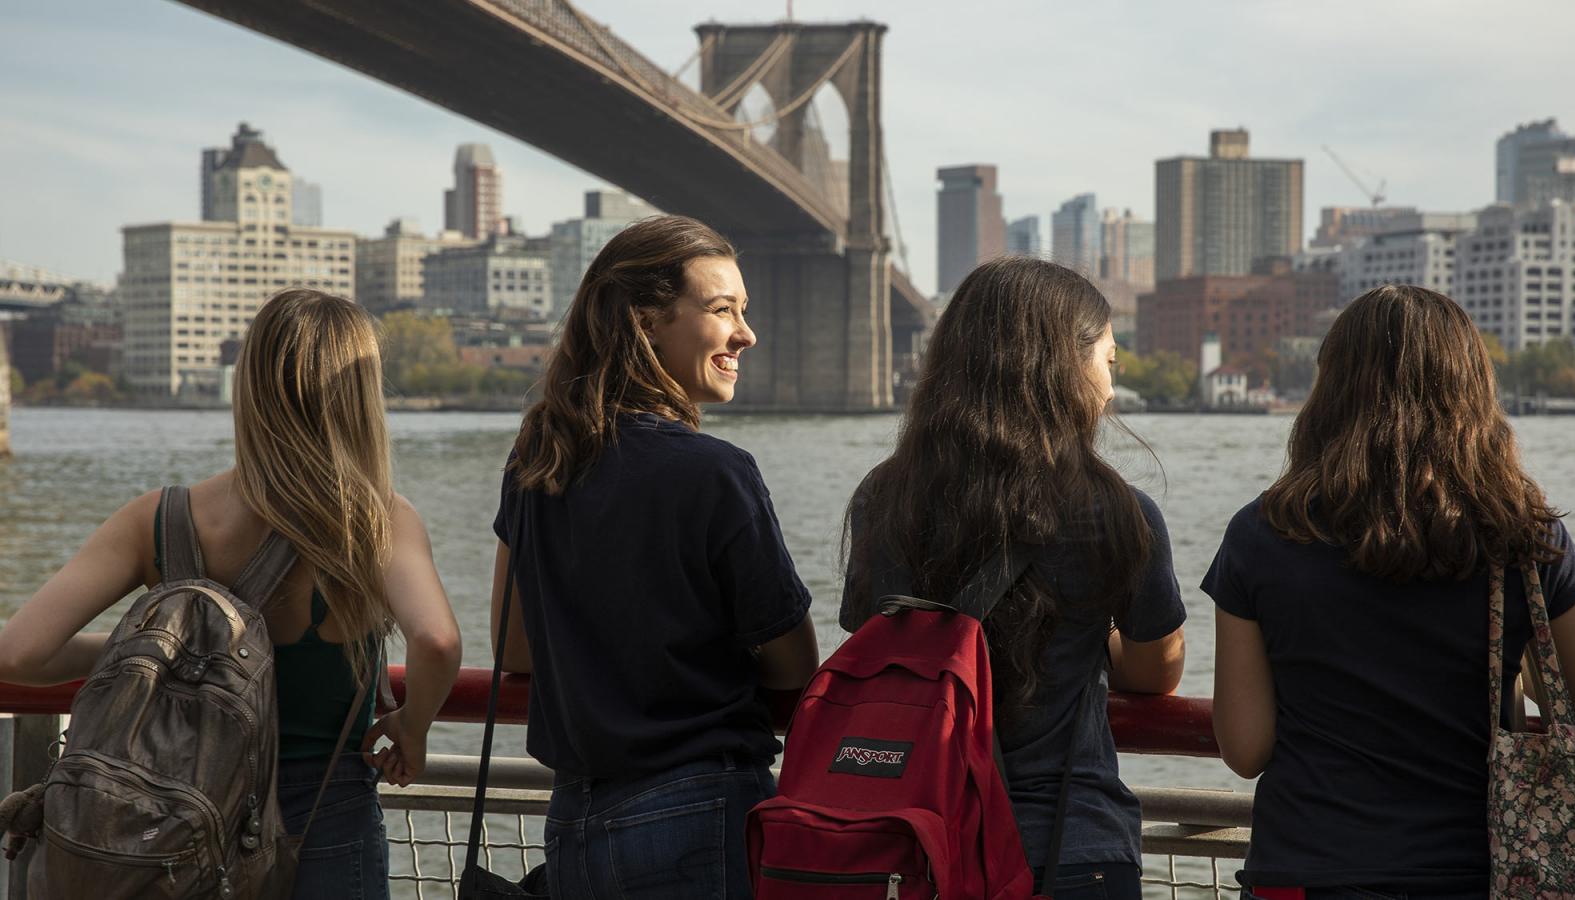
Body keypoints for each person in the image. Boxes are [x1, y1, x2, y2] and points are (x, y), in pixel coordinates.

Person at [0, 288, 464, 899]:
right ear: (361, 396)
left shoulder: (160, 520)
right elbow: (435, 640)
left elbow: (18, 654)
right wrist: (414, 725)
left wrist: (159, 649)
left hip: (176, 831)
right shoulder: (376, 520)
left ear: (248, 386)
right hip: (325, 821)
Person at [1206, 285, 1575, 899]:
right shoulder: (1522, 535)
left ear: (1329, 390)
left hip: (1307, 871)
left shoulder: (1261, 534)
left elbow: (1247, 747)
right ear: (1472, 390)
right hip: (1476, 873)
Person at [490, 215, 820, 899]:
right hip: (697, 813)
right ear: (644, 321)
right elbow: (793, 664)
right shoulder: (715, 472)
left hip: (574, 822)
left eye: (744, 312)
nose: (746, 334)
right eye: (723, 310)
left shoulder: (536, 461)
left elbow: (514, 651)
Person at [839, 257, 1187, 900]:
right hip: (1072, 850)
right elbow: (1153, 672)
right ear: (1065, 368)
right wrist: (1092, 639)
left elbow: (879, 652)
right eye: (1108, 362)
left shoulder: (883, 500)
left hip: (919, 849)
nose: (1112, 388)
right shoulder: (1119, 512)